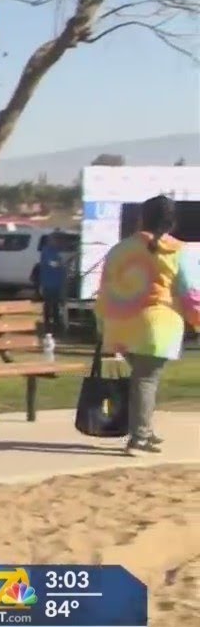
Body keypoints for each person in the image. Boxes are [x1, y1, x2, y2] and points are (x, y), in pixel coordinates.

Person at [95, 195, 200, 456]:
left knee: (142, 378)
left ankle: (144, 429)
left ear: (142, 217)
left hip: (120, 324)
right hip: (157, 326)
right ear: (171, 221)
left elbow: (105, 290)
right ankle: (139, 437)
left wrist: (102, 324)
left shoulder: (120, 249)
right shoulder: (177, 251)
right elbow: (191, 293)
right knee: (146, 379)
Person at [35, 232, 70, 336]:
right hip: (48, 282)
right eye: (56, 240)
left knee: (56, 305)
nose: (58, 242)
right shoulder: (46, 251)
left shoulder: (56, 251)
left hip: (58, 282)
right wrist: (62, 264)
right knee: (48, 304)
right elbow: (50, 263)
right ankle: (47, 324)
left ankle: (56, 324)